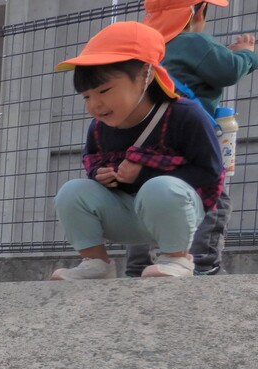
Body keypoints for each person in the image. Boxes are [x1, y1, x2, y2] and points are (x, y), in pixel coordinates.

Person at [50, 22, 223, 280]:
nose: (95, 104)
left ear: (146, 75)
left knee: (159, 188)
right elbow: (91, 162)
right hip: (128, 217)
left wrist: (144, 175)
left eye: (104, 90)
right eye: (86, 96)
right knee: (71, 192)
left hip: (175, 212)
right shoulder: (99, 128)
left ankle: (176, 259)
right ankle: (96, 264)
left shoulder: (185, 115)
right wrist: (100, 175)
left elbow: (209, 172)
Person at [124, 0, 258, 276]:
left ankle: (138, 267)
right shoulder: (193, 42)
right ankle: (204, 265)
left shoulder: (145, 51)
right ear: (197, 12)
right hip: (188, 137)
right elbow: (228, 70)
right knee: (211, 194)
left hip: (147, 139)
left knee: (146, 195)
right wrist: (247, 55)